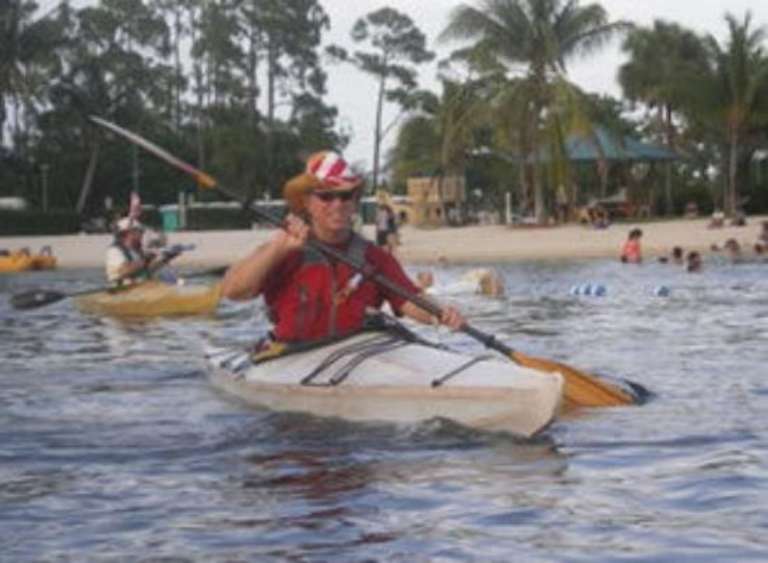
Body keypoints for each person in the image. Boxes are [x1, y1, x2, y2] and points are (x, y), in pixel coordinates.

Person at [221, 150, 465, 344]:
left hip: (356, 355)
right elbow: (233, 291)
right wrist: (277, 249)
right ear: (307, 202)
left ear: (355, 202)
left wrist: (439, 313)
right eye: (326, 197)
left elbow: (409, 301)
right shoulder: (282, 249)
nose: (337, 204)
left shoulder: (374, 257)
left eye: (346, 196)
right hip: (293, 355)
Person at [105, 217, 167, 285]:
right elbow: (124, 270)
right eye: (139, 231)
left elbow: (148, 269)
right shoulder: (114, 251)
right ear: (128, 233)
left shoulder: (138, 250)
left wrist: (164, 258)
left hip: (139, 289)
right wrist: (146, 260)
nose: (142, 234)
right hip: (123, 291)